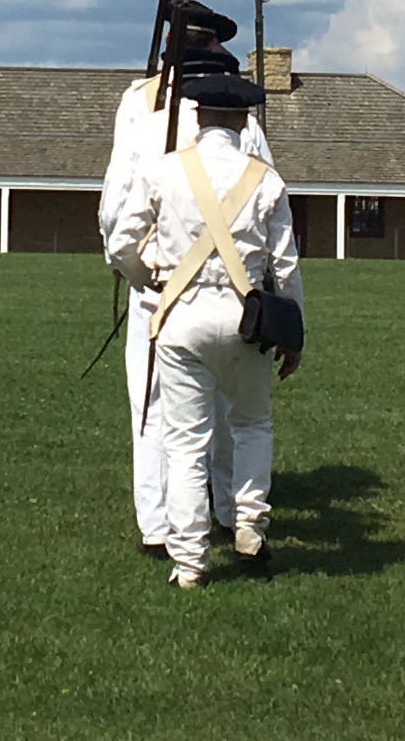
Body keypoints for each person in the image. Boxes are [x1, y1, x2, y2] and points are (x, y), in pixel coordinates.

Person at [104, 50, 303, 588]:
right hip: (247, 319)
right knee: (251, 425)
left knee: (184, 443)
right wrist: (294, 335)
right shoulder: (266, 181)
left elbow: (121, 242)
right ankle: (250, 528)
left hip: (181, 315)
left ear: (197, 116)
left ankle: (189, 561)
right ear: (242, 122)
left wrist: (147, 281)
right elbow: (286, 265)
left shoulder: (164, 171)